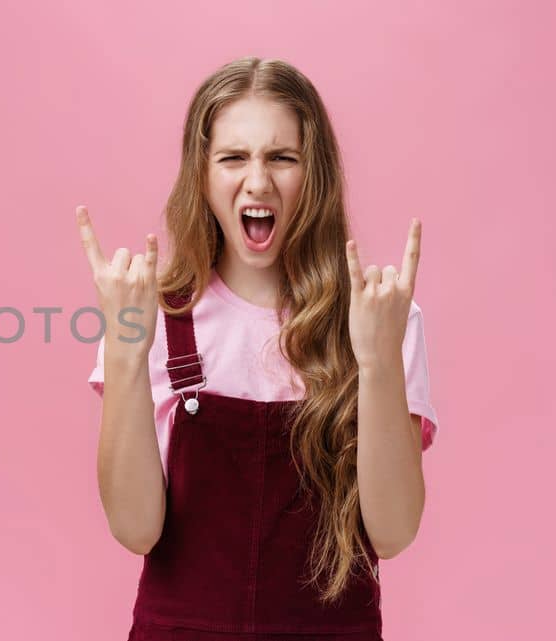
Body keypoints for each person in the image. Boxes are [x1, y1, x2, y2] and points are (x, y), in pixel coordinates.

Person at [80, 57, 440, 640]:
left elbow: (394, 532)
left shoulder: (382, 316)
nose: (257, 180)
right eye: (232, 157)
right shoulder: (150, 317)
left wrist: (375, 366)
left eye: (282, 157)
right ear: (200, 175)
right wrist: (125, 352)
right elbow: (134, 528)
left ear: (314, 173)